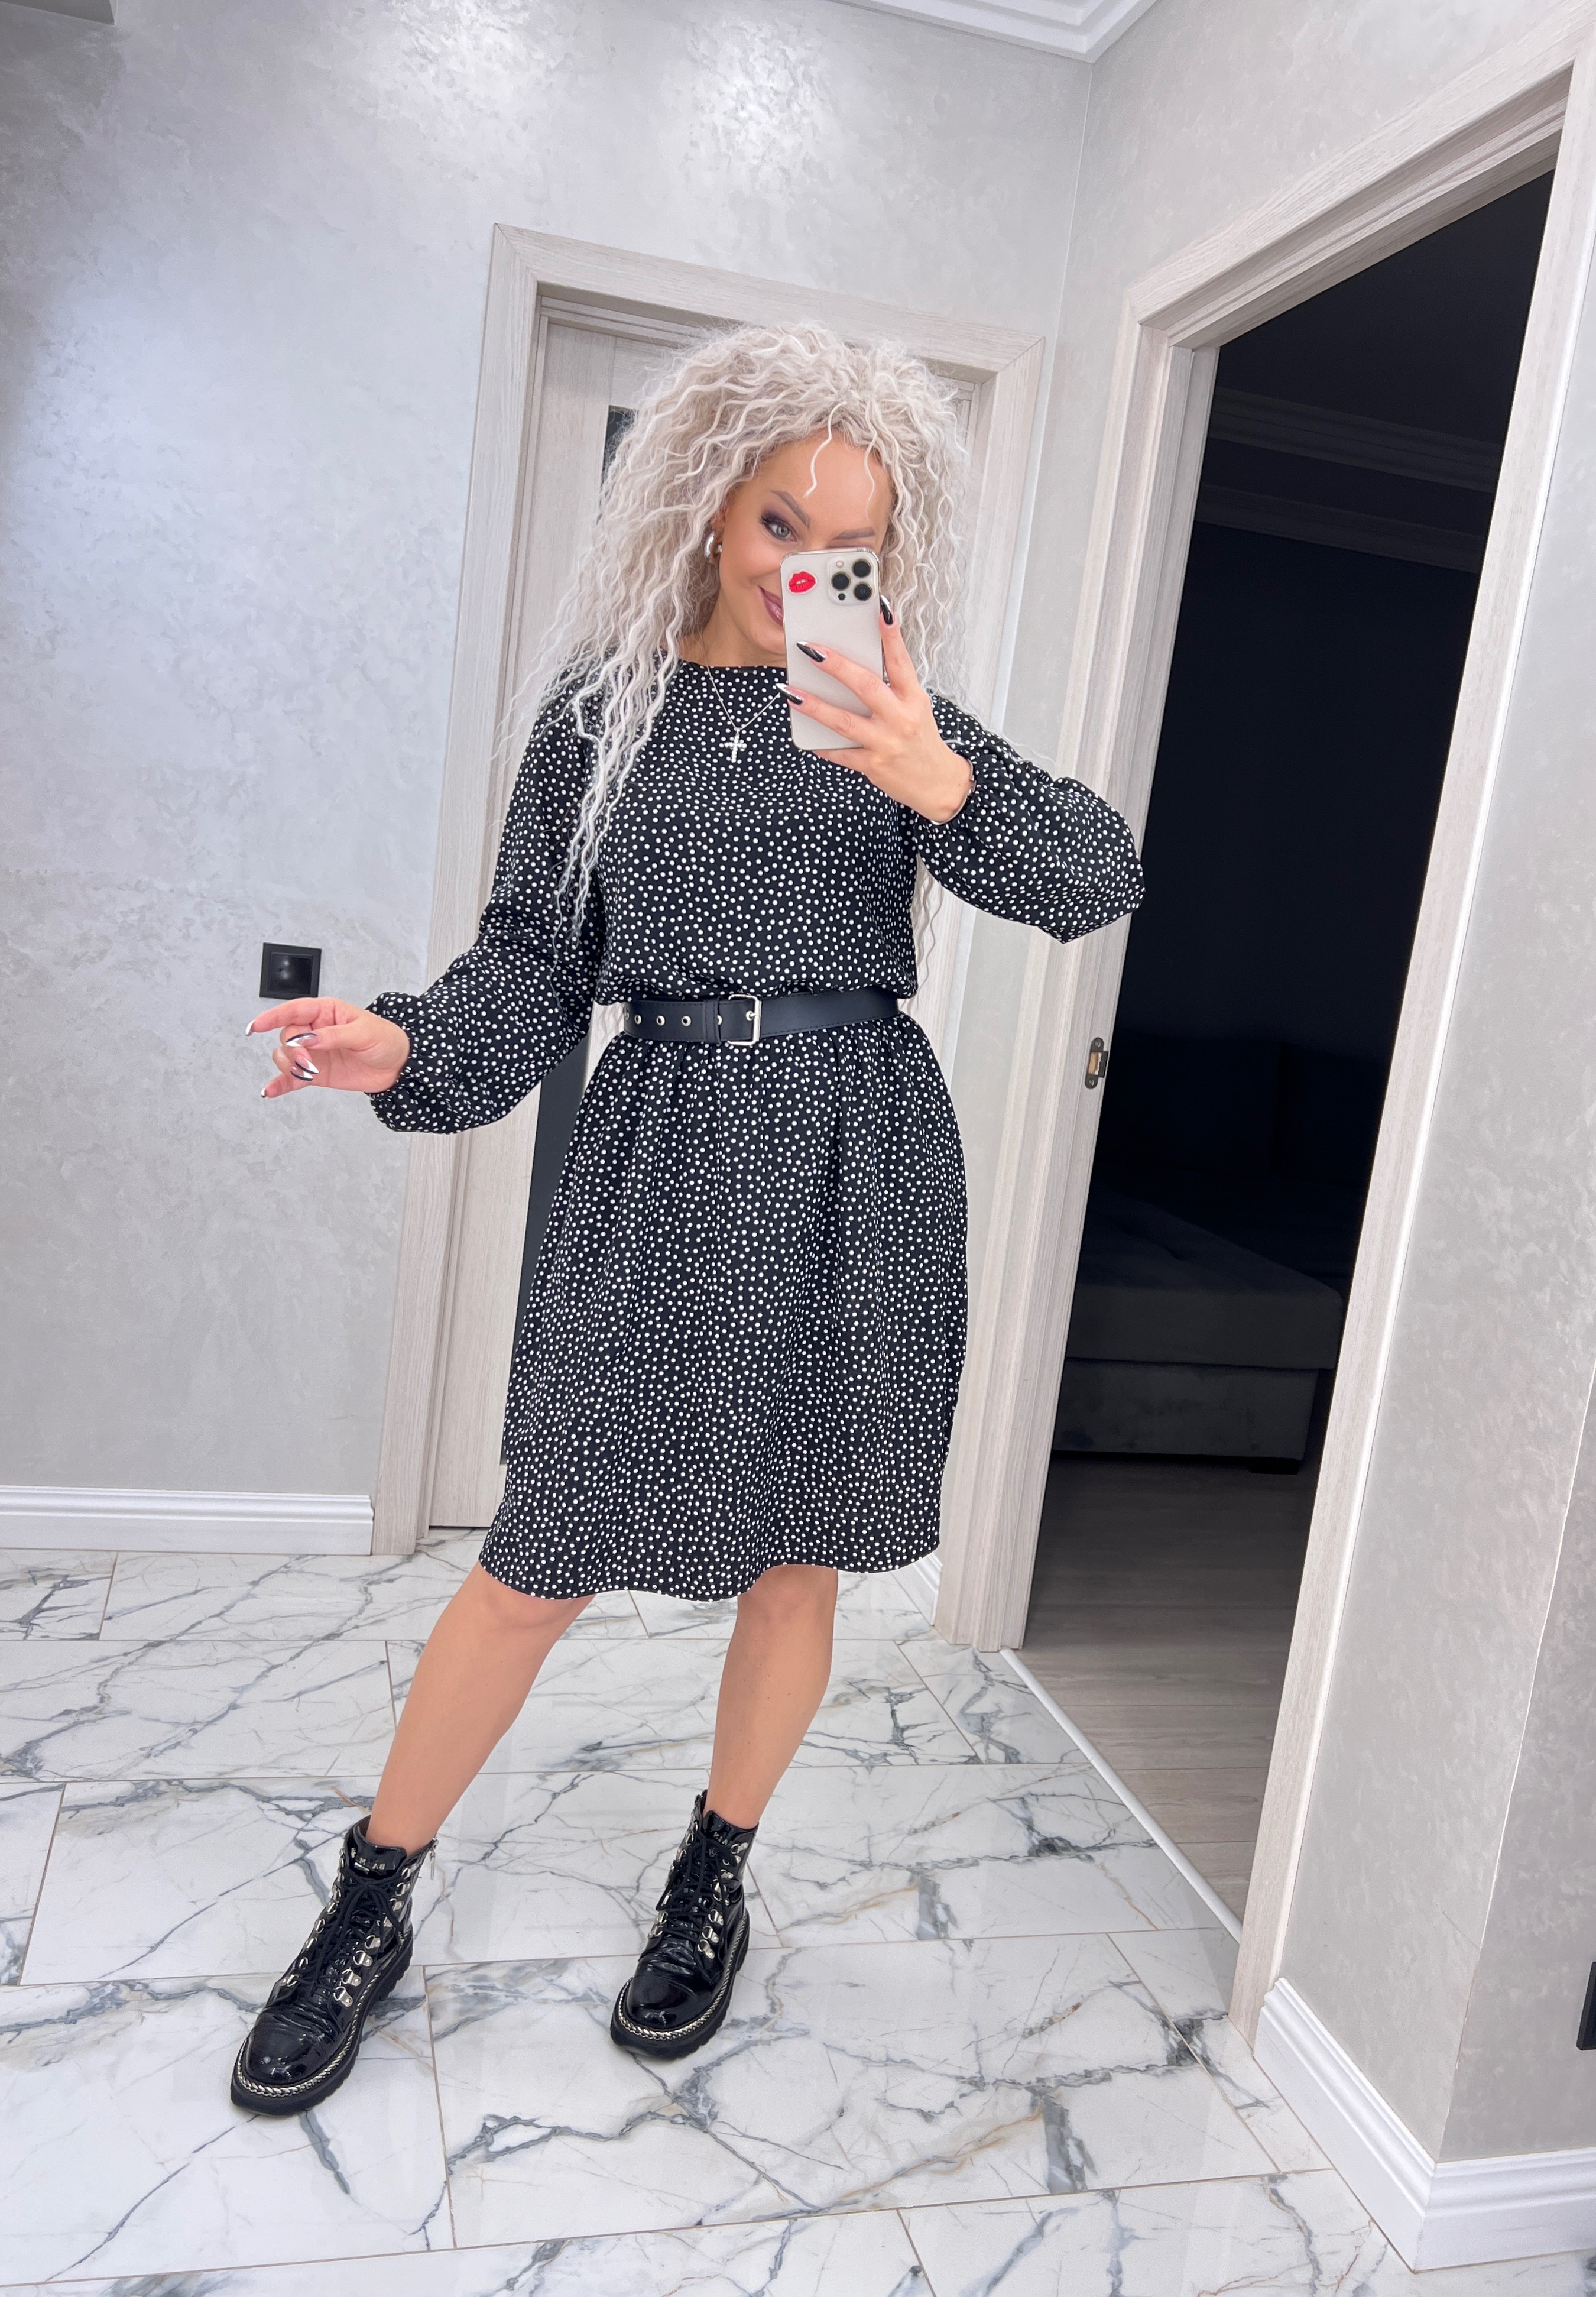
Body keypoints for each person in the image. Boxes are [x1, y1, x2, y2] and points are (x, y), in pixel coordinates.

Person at [231, 323, 1143, 2116]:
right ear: (711, 502)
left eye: (848, 542)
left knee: (799, 1551)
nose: (802, 566)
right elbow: (524, 970)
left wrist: (936, 779)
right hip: (657, 1154)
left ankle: (714, 1874)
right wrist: (398, 1044)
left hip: (860, 1160)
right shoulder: (602, 720)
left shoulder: (884, 707)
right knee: (540, 1552)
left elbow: (1094, 873)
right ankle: (372, 1896)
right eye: (778, 521)